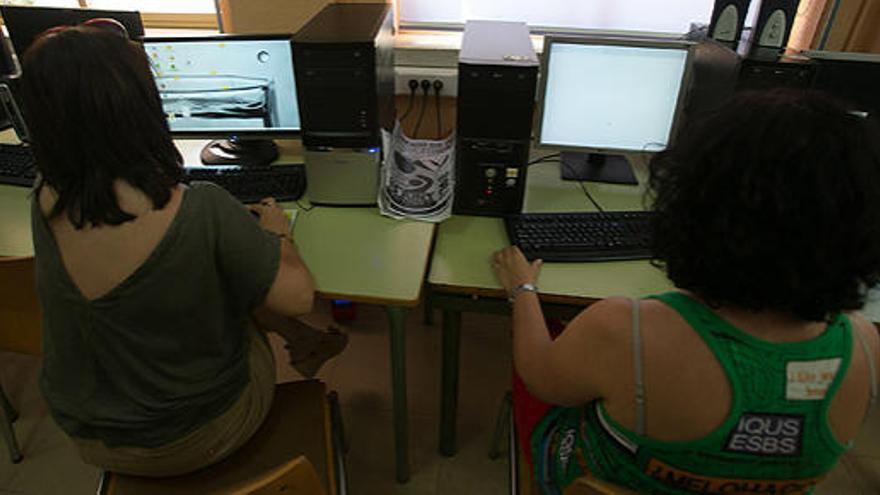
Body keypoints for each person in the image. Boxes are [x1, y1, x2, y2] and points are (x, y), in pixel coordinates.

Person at [492, 90, 880, 494]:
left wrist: (523, 289)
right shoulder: (866, 347)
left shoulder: (626, 330)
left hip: (591, 479)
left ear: (696, 205)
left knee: (547, 356)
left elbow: (540, 376)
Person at [21, 24, 343, 476]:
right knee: (238, 280)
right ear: (140, 107)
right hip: (201, 434)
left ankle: (308, 343)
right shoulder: (201, 208)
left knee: (210, 273)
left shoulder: (44, 198)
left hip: (89, 435)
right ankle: (307, 342)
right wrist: (276, 235)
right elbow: (298, 298)